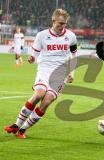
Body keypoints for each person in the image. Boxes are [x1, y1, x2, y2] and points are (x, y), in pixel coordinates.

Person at [4, 8, 77, 139]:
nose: (63, 26)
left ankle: (23, 129)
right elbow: (35, 53)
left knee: (47, 100)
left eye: (65, 23)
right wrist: (32, 58)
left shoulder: (71, 36)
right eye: (60, 23)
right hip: (44, 69)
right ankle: (16, 124)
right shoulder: (42, 35)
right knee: (39, 94)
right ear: (53, 21)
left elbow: (74, 54)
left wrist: (72, 72)